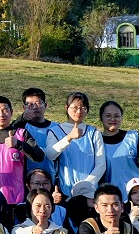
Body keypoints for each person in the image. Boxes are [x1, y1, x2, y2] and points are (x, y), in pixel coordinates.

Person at [45, 92, 106, 225]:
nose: (79, 111)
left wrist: (84, 186)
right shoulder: (55, 131)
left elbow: (101, 165)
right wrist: (69, 138)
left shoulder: (94, 133)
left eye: (83, 108)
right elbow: (50, 154)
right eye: (75, 107)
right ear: (67, 108)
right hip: (65, 193)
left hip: (90, 194)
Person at [0, 96, 44, 206]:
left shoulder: (22, 134)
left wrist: (19, 144)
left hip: (17, 197)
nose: (1, 114)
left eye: (5, 110)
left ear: (11, 112)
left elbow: (39, 156)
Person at [98, 101, 139, 191]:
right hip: (110, 195)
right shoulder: (95, 141)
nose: (113, 119)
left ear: (121, 117)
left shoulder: (133, 137)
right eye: (108, 116)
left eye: (117, 116)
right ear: (101, 118)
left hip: (135, 193)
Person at [11, 189, 75, 234]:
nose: (42, 210)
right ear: (29, 208)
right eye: (38, 206)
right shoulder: (20, 229)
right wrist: (32, 231)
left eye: (47, 206)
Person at [19, 88, 60, 179]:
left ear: (45, 105)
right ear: (24, 107)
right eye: (30, 104)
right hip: (26, 180)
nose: (34, 107)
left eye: (38, 103)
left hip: (50, 180)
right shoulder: (20, 128)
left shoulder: (57, 128)